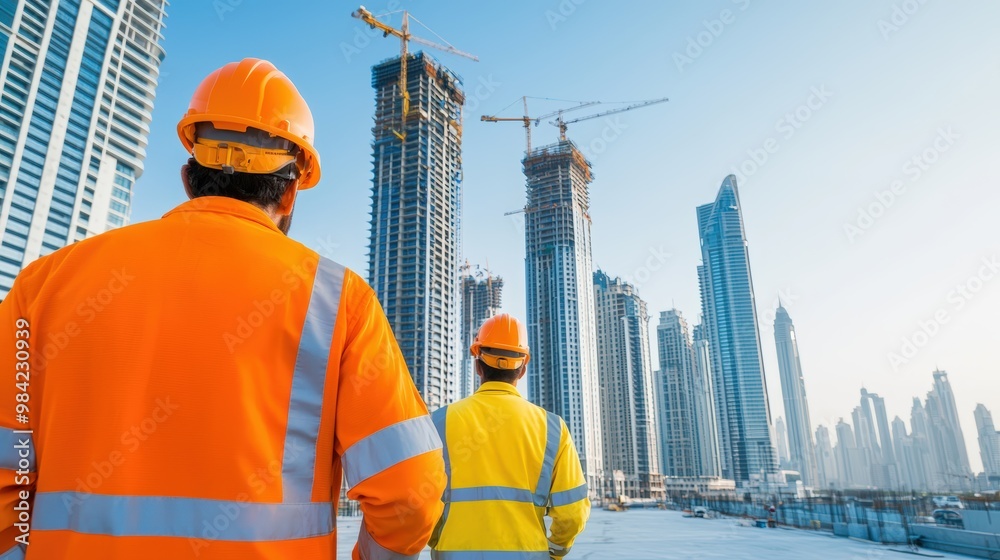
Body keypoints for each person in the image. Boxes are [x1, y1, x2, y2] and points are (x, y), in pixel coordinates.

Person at [0, 58, 444, 559]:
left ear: (190, 176)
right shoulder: (338, 300)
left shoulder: (43, 286)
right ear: (293, 190)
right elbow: (413, 493)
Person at [430, 313, 590, 558]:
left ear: (477, 366)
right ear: (523, 369)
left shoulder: (439, 422)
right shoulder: (553, 428)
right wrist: (555, 551)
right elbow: (572, 513)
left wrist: (438, 540)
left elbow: (416, 502)